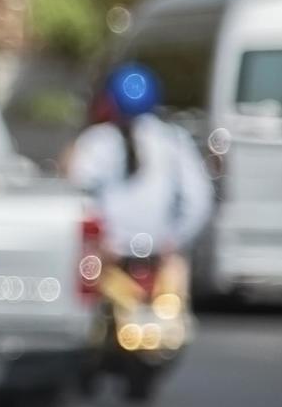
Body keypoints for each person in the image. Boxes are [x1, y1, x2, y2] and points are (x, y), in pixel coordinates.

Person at [65, 62, 215, 302]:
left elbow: (77, 199)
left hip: (112, 256)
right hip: (157, 253)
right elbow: (199, 200)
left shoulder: (95, 143)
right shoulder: (174, 140)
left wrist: (101, 242)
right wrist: (174, 240)